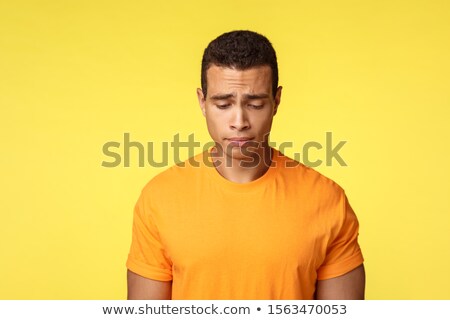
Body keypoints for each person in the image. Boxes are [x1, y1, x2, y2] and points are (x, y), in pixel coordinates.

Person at [126, 30, 365, 300]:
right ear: (202, 103)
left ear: (276, 101)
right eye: (223, 104)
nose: (239, 121)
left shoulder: (328, 200)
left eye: (254, 103)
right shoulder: (159, 198)